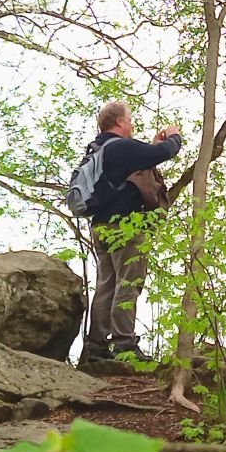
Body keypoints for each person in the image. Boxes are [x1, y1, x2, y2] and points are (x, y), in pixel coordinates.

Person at [73, 101, 182, 367]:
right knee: (129, 284)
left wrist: (152, 145)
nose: (132, 125)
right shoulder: (120, 147)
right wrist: (174, 136)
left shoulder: (99, 150)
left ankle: (96, 346)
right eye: (130, 120)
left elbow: (145, 155)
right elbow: (164, 153)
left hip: (101, 227)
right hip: (126, 228)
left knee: (107, 284)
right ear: (120, 122)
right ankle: (124, 344)